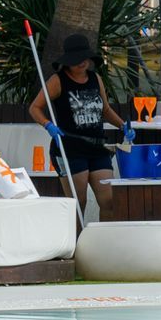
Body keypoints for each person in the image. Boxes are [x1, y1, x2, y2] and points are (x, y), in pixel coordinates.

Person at [28, 33, 128, 220]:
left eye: (84, 58)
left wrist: (123, 126)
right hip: (70, 148)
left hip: (97, 148)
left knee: (109, 200)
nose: (81, 63)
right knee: (77, 202)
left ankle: (101, 241)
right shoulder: (58, 81)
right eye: (75, 60)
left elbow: (105, 109)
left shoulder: (95, 78)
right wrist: (48, 125)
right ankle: (74, 245)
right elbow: (34, 108)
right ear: (67, 62)